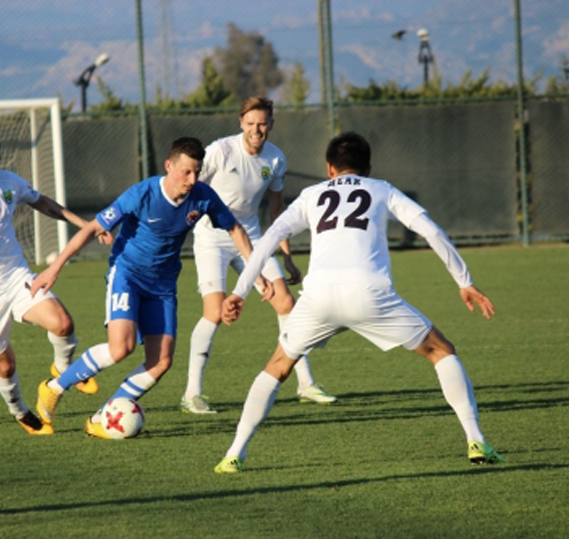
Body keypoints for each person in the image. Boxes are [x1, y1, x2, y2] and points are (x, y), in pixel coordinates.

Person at [214, 131, 505, 473]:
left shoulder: (311, 194)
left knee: (278, 365)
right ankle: (475, 440)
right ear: (367, 167)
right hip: (370, 294)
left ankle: (234, 454)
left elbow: (269, 239)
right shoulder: (382, 189)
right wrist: (465, 282)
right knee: (442, 352)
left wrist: (239, 292)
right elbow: (431, 231)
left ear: (329, 168)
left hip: (318, 296)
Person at [33, 137, 272, 438]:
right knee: (122, 347)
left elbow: (235, 228)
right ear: (169, 166)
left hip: (163, 284)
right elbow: (95, 227)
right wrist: (54, 269)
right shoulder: (142, 193)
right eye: (186, 172)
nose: (192, 179)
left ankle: (103, 417)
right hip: (128, 274)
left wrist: (256, 273)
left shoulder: (202, 195)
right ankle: (53, 387)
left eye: (197, 172)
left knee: (161, 362)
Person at [0, 129, 111, 435]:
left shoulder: (8, 181)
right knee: (4, 366)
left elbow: (42, 203)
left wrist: (88, 225)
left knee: (63, 323)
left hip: (14, 276)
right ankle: (19, 410)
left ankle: (62, 370)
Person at [182, 96, 336, 414]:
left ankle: (305, 384)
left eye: (262, 123)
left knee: (286, 302)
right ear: (241, 123)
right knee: (213, 311)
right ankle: (191, 393)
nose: (256, 129)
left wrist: (287, 254)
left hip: (252, 238)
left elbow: (277, 210)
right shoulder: (220, 151)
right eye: (251, 123)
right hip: (212, 238)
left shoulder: (276, 159)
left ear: (271, 124)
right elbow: (190, 187)